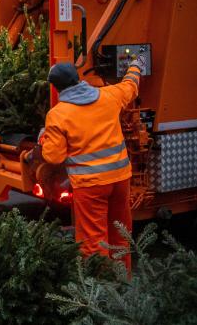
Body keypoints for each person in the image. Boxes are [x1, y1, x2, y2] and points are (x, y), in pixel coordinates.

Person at [33, 60, 141, 268]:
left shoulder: (58, 115)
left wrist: (43, 138)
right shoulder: (109, 95)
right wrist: (136, 64)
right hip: (120, 179)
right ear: (78, 78)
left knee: (94, 242)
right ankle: (124, 287)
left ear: (56, 87)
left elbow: (54, 157)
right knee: (120, 234)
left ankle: (98, 293)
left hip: (90, 186)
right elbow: (131, 85)